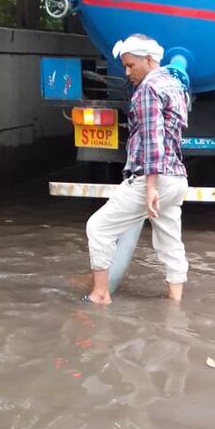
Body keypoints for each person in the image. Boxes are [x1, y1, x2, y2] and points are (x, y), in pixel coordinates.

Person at [85, 34, 189, 305]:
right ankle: (175, 302)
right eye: (125, 66)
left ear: (149, 59)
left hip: (152, 178)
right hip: (177, 179)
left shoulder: (148, 89)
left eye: (131, 65)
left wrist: (151, 186)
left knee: (98, 228)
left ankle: (100, 294)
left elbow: (153, 137)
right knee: (169, 241)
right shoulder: (175, 85)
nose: (127, 72)